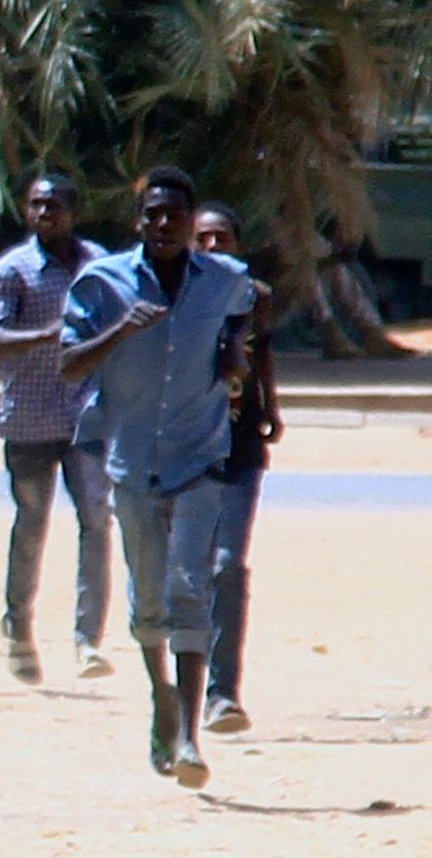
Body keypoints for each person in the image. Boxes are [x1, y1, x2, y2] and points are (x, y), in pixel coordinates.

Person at [60, 166, 254, 789]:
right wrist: (121, 329)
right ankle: (161, 701)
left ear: (192, 222)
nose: (164, 224)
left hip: (200, 460)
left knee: (189, 589)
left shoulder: (222, 278)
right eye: (153, 214)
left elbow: (256, 300)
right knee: (149, 603)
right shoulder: (102, 283)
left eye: (175, 215)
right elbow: (68, 366)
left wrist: (233, 349)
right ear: (137, 220)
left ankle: (192, 735)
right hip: (133, 462)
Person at [0, 173, 115, 685]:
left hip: (87, 417)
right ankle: (18, 629)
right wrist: (46, 336)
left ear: (73, 211)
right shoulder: (13, 271)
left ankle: (88, 641)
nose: (44, 214)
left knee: (98, 521)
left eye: (54, 205)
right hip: (30, 419)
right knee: (32, 525)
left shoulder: (97, 266)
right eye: (36, 205)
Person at [193, 202, 282, 734]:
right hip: (185, 451)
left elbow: (263, 353)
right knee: (187, 571)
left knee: (228, 564)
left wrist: (271, 406)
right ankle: (180, 688)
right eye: (201, 238)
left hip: (240, 450)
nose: (211, 247)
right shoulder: (177, 297)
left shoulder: (255, 298)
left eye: (220, 238)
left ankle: (223, 692)